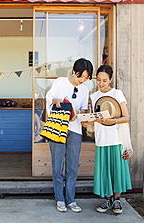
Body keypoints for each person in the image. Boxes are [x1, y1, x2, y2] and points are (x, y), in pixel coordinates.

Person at [45, 58, 93, 213]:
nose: (83, 81)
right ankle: (60, 199)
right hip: (58, 129)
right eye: (81, 77)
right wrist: (56, 100)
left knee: (72, 166)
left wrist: (81, 117)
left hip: (75, 131)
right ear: (74, 72)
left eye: (86, 78)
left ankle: (71, 200)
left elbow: (84, 110)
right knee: (57, 166)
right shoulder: (60, 82)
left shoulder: (85, 90)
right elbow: (48, 98)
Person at [84, 65, 132, 214]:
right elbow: (96, 118)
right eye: (98, 80)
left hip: (116, 138)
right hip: (101, 138)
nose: (101, 83)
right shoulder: (94, 96)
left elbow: (126, 117)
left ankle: (117, 200)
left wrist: (114, 121)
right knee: (104, 170)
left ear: (110, 80)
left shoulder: (117, 94)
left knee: (117, 170)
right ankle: (108, 199)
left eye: (104, 80)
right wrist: (88, 121)